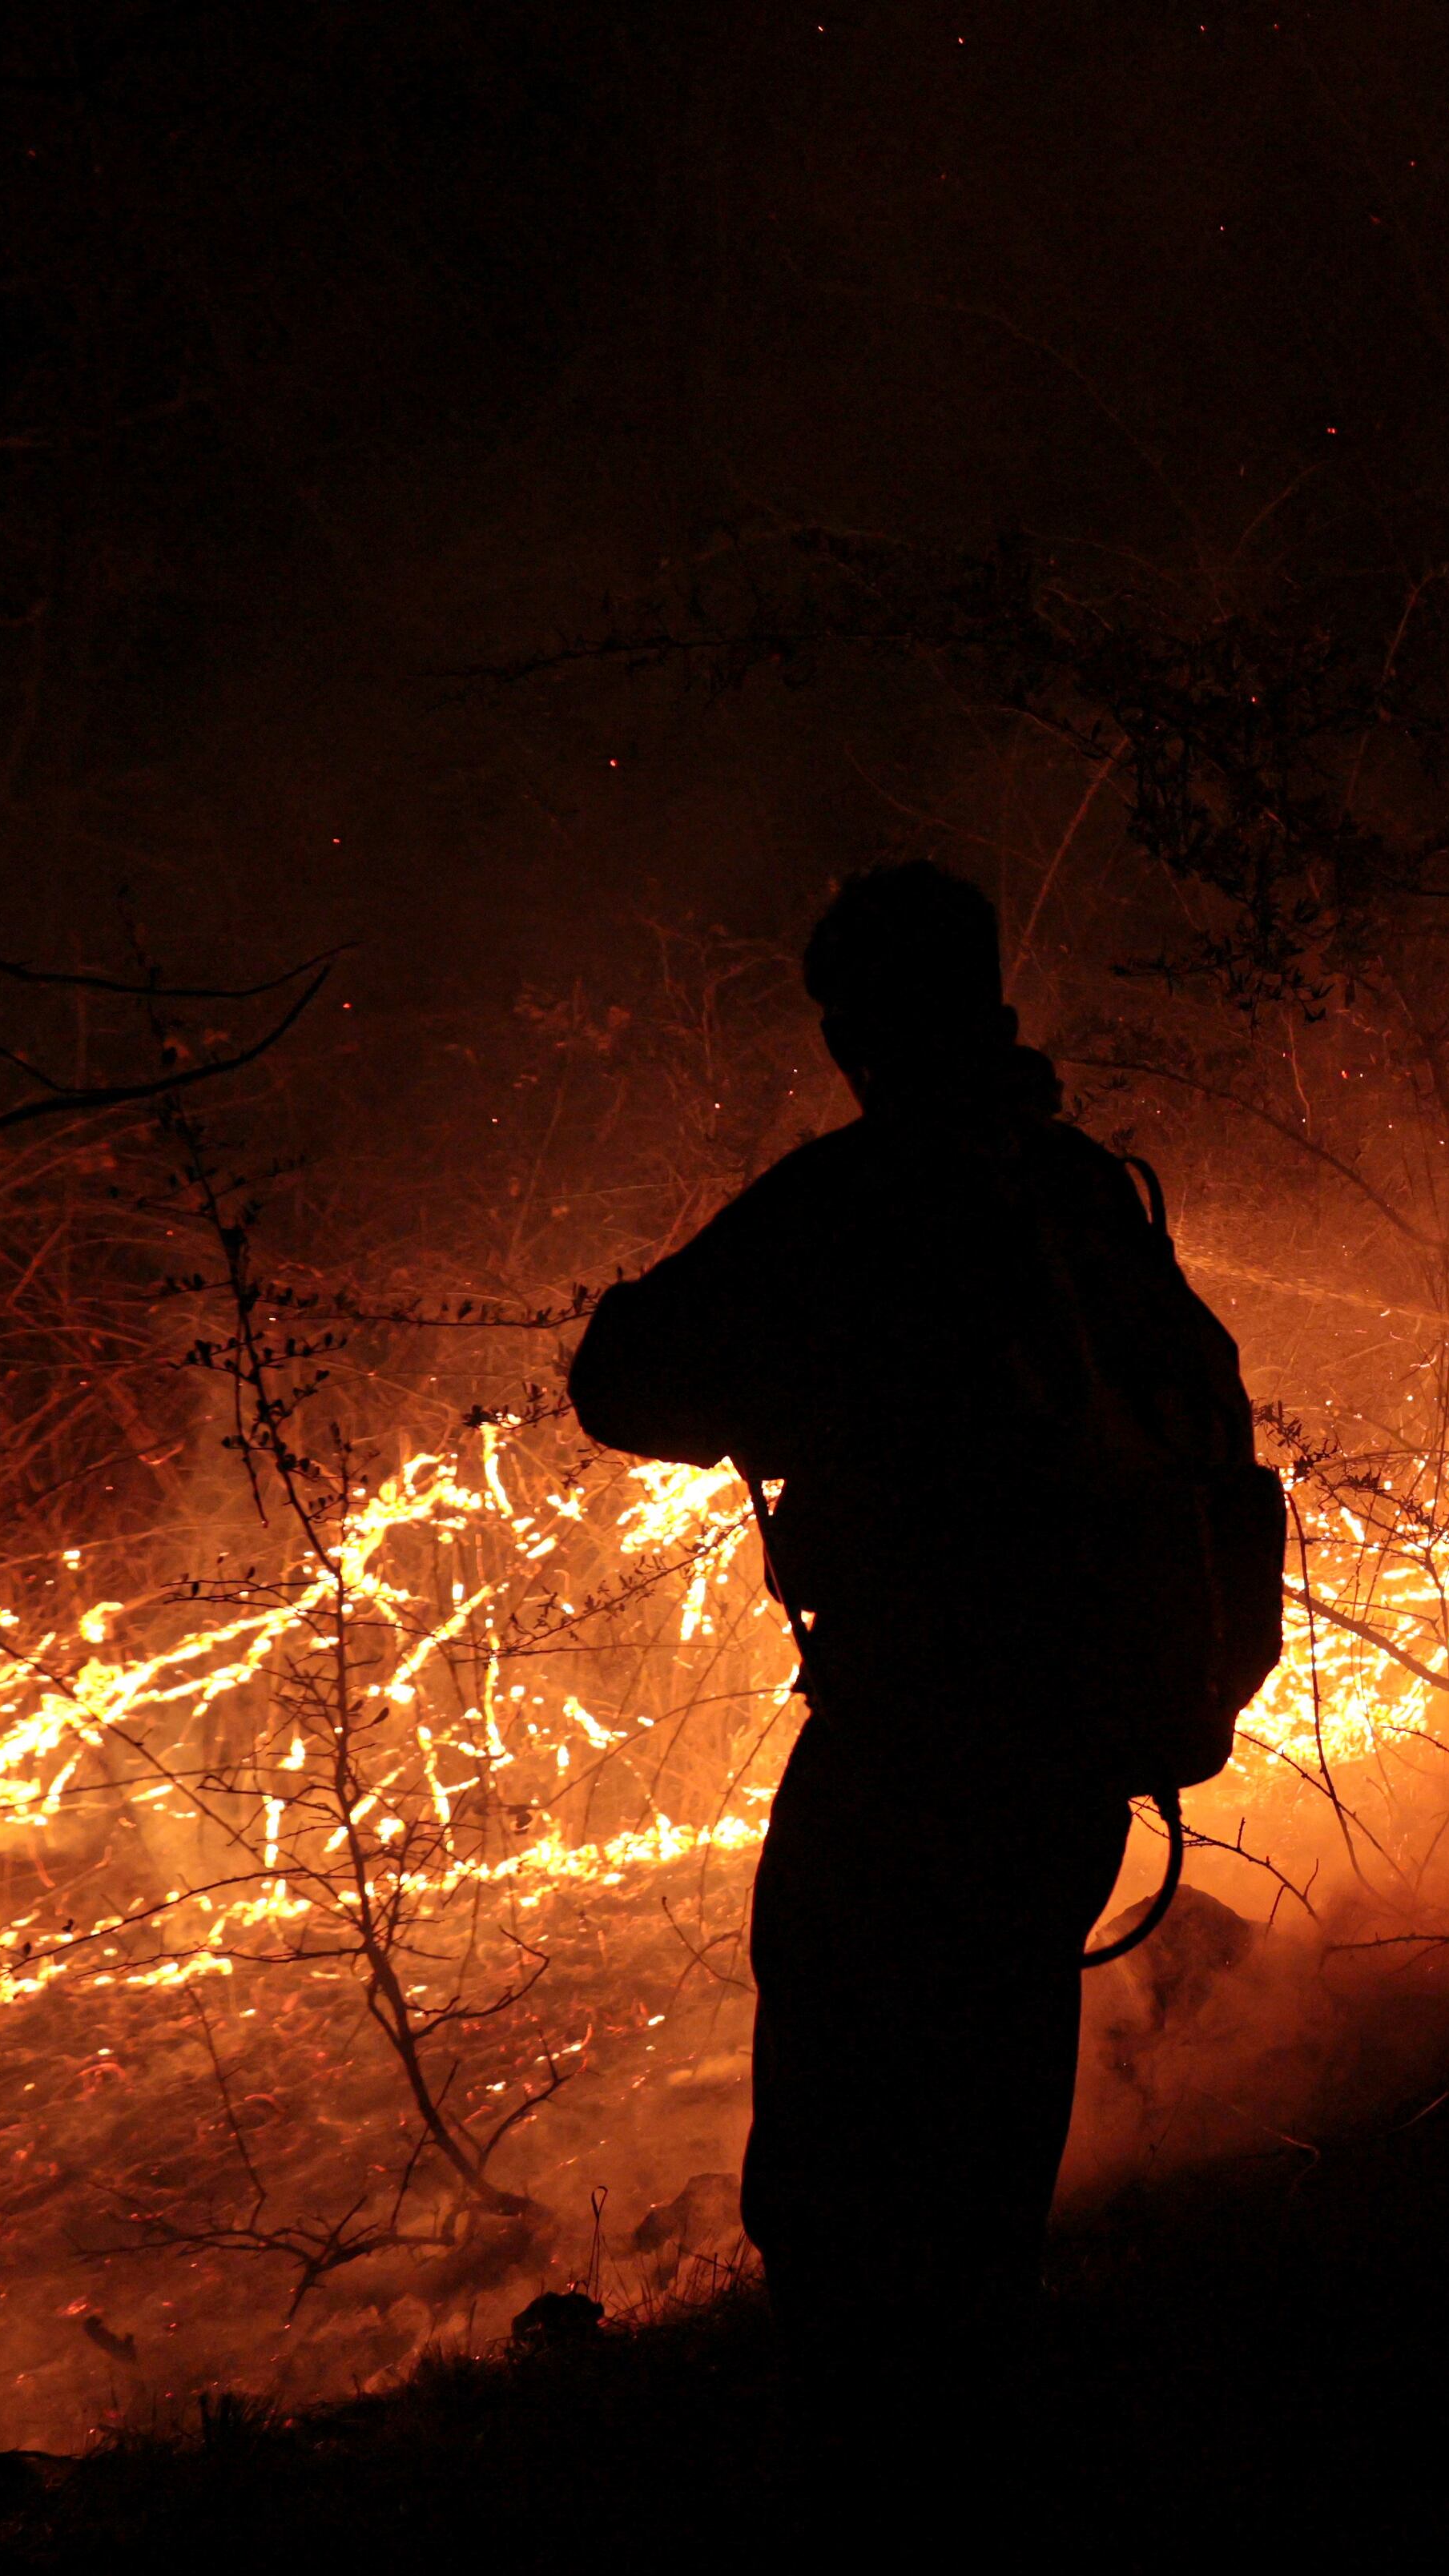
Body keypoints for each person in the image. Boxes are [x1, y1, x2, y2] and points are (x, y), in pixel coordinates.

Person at [570, 861, 1274, 2462]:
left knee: (839, 2069)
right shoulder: (1086, 1187)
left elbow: (623, 1375)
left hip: (921, 1720)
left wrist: (796, 1397)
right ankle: (978, 2390)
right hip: (1086, 1716)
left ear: (859, 1028)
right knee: (1001, 2049)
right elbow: (1204, 1399)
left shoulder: (863, 1196)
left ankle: (866, 2447)